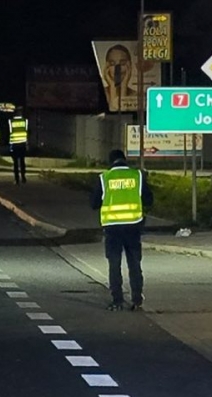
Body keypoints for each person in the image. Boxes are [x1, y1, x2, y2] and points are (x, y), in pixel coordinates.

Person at [90, 149, 154, 311]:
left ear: (111, 162)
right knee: (134, 264)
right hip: (133, 226)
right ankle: (137, 299)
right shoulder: (137, 176)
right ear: (125, 160)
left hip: (112, 228)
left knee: (114, 264)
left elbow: (94, 204)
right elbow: (149, 200)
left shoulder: (104, 178)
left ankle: (117, 300)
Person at [101, 44, 137, 112]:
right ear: (106, 67)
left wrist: (124, 87)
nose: (117, 69)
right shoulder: (99, 95)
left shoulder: (138, 96)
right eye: (112, 63)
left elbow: (123, 116)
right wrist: (112, 87)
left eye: (122, 63)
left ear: (129, 66)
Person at [8, 107, 28, 184]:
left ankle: (17, 179)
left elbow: (10, 133)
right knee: (22, 161)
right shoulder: (24, 121)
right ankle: (23, 177)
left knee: (15, 163)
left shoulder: (11, 121)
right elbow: (26, 133)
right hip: (22, 144)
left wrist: (10, 145)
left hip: (15, 144)